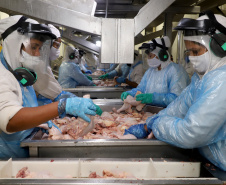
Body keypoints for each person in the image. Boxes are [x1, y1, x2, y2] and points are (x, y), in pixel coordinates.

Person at [124, 11, 226, 171]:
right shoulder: (201, 79)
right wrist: (148, 124)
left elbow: (192, 132)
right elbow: (179, 107)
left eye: (196, 51)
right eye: (189, 52)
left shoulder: (222, 81)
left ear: (219, 47)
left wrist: (156, 124)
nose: (192, 58)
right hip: (212, 162)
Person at [0, 15, 101, 158]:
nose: (37, 54)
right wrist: (61, 106)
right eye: (33, 47)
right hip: (8, 161)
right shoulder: (2, 74)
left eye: (39, 48)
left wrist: (40, 121)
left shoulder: (21, 74)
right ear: (14, 43)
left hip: (26, 151)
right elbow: (10, 120)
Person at [121, 36, 190, 107]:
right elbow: (141, 89)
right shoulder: (150, 71)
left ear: (161, 55)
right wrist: (130, 93)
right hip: (153, 112)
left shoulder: (176, 71)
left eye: (150, 56)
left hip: (171, 114)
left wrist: (153, 98)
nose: (148, 59)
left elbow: (177, 98)